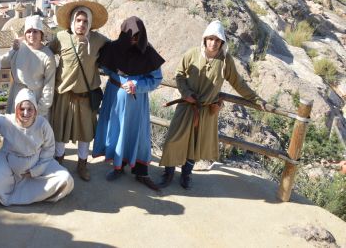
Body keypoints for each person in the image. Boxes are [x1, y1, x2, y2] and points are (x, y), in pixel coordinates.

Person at [158, 20, 265, 189]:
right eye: (211, 39)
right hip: (187, 106)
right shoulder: (192, 54)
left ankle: (186, 175)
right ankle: (168, 173)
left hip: (206, 111)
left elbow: (238, 83)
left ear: (222, 42)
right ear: (205, 38)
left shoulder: (225, 61)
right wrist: (186, 94)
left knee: (196, 144)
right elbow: (179, 75)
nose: (213, 43)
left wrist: (256, 99)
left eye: (217, 40)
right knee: (174, 139)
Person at [93, 16, 165, 190]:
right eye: (130, 36)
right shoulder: (113, 49)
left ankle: (141, 172)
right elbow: (106, 67)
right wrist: (118, 78)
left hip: (136, 103)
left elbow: (156, 79)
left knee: (137, 134)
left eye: (137, 36)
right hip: (114, 97)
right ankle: (118, 167)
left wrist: (137, 84)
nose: (134, 40)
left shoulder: (148, 53)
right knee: (116, 131)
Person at [0, 89, 74, 206]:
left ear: (35, 110)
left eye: (29, 109)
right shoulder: (6, 121)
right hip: (9, 165)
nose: (25, 113)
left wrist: (35, 171)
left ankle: (27, 190)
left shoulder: (42, 124)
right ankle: (16, 192)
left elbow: (49, 149)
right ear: (16, 108)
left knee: (65, 180)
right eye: (22, 109)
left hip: (36, 164)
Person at [48, 0, 109, 181]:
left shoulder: (98, 40)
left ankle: (82, 164)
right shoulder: (61, 38)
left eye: (85, 21)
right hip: (64, 95)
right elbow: (45, 52)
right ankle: (58, 161)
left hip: (85, 97)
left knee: (85, 133)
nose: (81, 24)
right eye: (78, 20)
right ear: (72, 21)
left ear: (89, 23)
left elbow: (115, 52)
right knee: (60, 131)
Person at [1, 15, 55, 119]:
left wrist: (40, 110)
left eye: (35, 31)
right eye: (29, 31)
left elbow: (49, 86)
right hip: (17, 94)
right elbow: (2, 62)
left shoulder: (47, 56)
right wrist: (13, 49)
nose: (32, 34)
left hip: (35, 98)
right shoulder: (19, 47)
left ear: (41, 34)